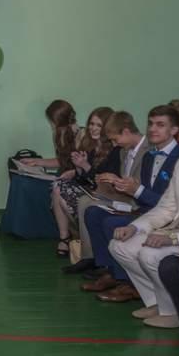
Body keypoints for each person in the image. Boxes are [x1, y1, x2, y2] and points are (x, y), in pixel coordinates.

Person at [81, 105, 179, 302]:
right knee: (94, 212)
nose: (152, 129)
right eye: (150, 124)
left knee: (112, 225)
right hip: (145, 212)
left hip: (169, 223)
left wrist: (136, 191)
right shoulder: (149, 156)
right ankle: (111, 271)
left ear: (174, 130)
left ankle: (128, 284)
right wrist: (126, 188)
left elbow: (172, 207)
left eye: (160, 125)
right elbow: (146, 198)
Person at [63, 111, 147, 275]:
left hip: (134, 201)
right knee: (85, 201)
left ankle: (102, 264)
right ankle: (91, 257)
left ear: (126, 132)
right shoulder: (123, 149)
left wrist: (114, 180)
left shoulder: (145, 150)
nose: (114, 144)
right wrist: (109, 180)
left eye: (115, 139)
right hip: (123, 194)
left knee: (91, 206)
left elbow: (137, 184)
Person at [111, 157, 179, 328]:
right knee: (120, 246)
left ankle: (174, 311)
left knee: (150, 254)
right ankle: (158, 302)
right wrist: (134, 227)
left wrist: (174, 239)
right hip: (178, 229)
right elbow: (167, 208)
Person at [50, 107, 116, 257]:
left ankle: (80, 237)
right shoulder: (91, 145)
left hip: (105, 196)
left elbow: (102, 182)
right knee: (58, 186)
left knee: (62, 191)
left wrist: (84, 166)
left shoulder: (114, 149)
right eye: (91, 124)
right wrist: (78, 169)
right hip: (90, 190)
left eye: (99, 125)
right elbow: (84, 178)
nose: (93, 128)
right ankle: (65, 238)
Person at [20, 99, 79, 172]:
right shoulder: (57, 134)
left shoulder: (81, 135)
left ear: (58, 121)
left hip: (76, 176)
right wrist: (35, 161)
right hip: (64, 174)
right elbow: (61, 161)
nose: (51, 124)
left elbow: (83, 167)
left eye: (51, 121)